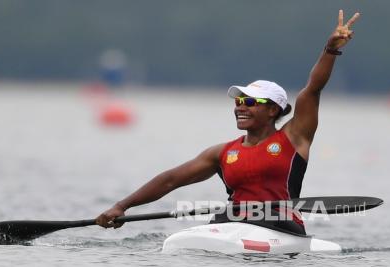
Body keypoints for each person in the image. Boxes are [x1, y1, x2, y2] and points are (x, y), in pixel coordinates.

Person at [95, 10, 360, 234]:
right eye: (238, 101)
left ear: (273, 111)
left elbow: (312, 89)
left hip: (281, 227)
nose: (240, 107)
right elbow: (170, 180)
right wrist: (122, 205)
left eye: (250, 102)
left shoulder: (294, 136)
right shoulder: (222, 153)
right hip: (231, 226)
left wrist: (330, 49)